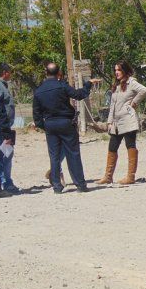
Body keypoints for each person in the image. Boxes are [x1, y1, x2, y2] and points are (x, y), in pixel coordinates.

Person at [33, 63, 98, 193]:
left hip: (50, 124)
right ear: (59, 73)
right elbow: (79, 95)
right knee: (73, 154)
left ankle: (57, 186)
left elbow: (36, 114)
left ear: (46, 73)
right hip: (66, 122)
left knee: (54, 156)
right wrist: (88, 84)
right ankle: (80, 184)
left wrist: (44, 126)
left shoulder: (39, 90)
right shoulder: (62, 85)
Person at [97, 61, 146, 185]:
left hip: (128, 120)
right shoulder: (116, 85)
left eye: (119, 70)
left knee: (130, 146)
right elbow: (112, 105)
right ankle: (108, 176)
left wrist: (134, 103)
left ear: (125, 70)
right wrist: (109, 121)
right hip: (116, 123)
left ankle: (130, 177)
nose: (116, 72)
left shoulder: (132, 83)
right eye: (115, 70)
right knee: (112, 147)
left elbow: (144, 90)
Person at [0, 62, 19, 193]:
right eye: (9, 72)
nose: (10, 74)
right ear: (5, 73)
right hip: (2, 128)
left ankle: (6, 181)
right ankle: (4, 183)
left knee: (7, 153)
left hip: (5, 127)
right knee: (4, 155)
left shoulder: (1, 86)